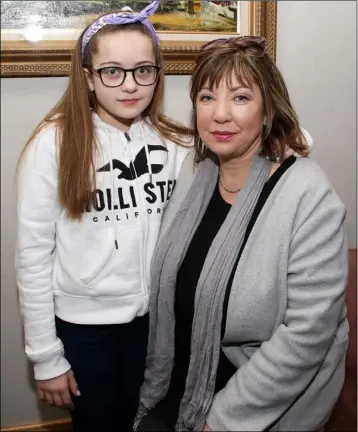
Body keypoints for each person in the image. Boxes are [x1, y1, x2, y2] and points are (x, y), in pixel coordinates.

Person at [135, 36, 349, 432]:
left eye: (240, 98)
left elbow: (307, 335)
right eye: (206, 97)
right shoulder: (194, 173)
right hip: (179, 380)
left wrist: (220, 420)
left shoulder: (309, 196)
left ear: (268, 111)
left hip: (257, 400)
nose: (219, 114)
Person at [15, 2, 191, 431]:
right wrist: (45, 357)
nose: (129, 85)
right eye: (112, 71)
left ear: (157, 75)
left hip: (156, 326)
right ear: (89, 77)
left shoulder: (175, 143)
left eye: (143, 70)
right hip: (85, 332)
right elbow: (33, 257)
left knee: (154, 422)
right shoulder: (53, 144)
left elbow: (244, 138)